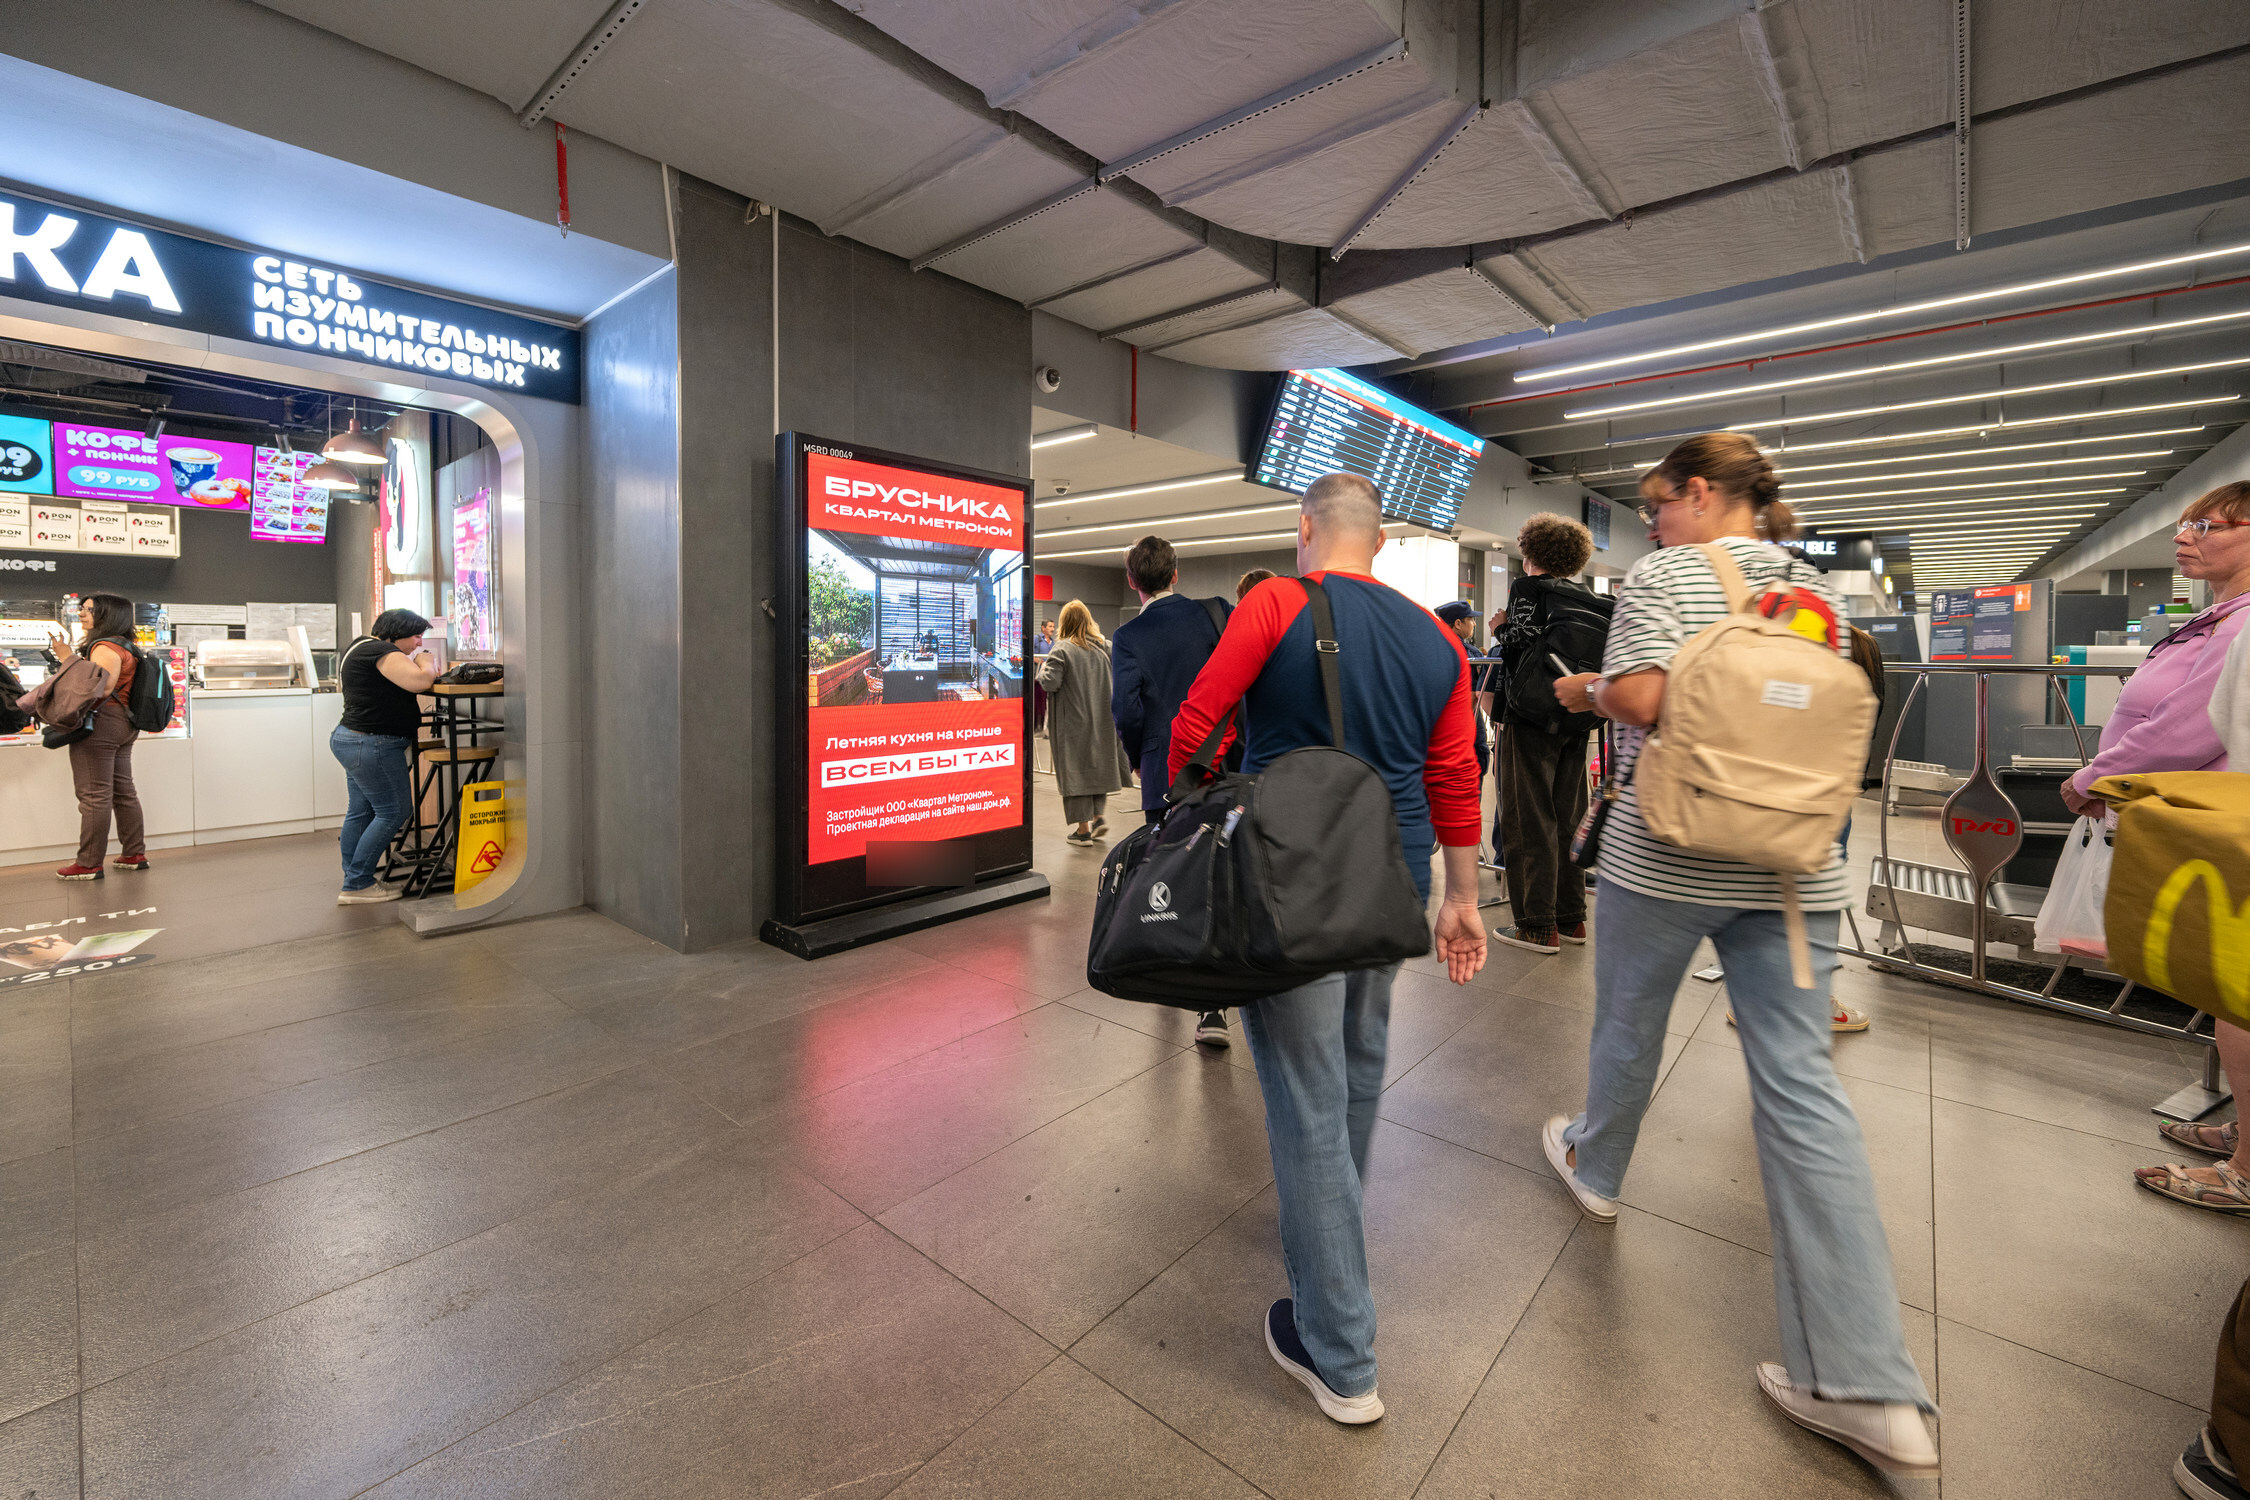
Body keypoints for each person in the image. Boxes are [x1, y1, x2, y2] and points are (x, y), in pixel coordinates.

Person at [1547, 432, 1939, 1475]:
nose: (1654, 522)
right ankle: (1869, 1387)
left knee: (1629, 1024)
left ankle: (1598, 1165)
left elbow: (1638, 697)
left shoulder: (1668, 576)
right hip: (1795, 866)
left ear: (1704, 494)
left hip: (1667, 853)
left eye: (1659, 503)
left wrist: (1585, 692)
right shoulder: (1815, 590)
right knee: (1803, 1092)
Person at [1168, 471, 1487, 1425]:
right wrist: (1463, 899)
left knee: (1304, 1093)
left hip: (1291, 875)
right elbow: (1454, 771)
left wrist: (1184, 816)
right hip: (1396, 873)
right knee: (1351, 1074)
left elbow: (1197, 722)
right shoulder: (1438, 637)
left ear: (1305, 531)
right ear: (1379, 543)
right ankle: (1329, 1241)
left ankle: (1338, 1349)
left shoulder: (1276, 601)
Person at [2060, 483, 2250, 1212]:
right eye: (2184, 522)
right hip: (2211, 820)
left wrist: (2096, 777)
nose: (2185, 536)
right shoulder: (2220, 618)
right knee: (2230, 990)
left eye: (2207, 524)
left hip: (2227, 821)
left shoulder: (2240, 626)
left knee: (2242, 996)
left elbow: (2191, 726)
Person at [1112, 535, 1235, 1048]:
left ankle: (1167, 967)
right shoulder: (1216, 615)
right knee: (1220, 872)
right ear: (1176, 574)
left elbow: (1127, 711)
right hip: (1222, 762)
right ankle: (1213, 1007)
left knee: (1166, 869)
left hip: (1165, 771)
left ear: (1132, 581)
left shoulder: (1129, 636)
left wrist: (1141, 759)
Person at [1489, 515, 1605, 954]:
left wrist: (1500, 626)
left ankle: (1535, 926)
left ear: (1529, 552)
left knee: (1526, 819)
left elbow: (1518, 639)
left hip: (1528, 716)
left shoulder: (1529, 588)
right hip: (1578, 715)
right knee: (1568, 817)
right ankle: (1571, 919)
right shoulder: (1591, 598)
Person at [331, 608, 439, 903]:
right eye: (416, 636)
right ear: (396, 632)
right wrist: (426, 662)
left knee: (362, 812)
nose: (418, 643)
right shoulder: (382, 650)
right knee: (394, 811)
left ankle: (355, 879)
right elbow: (420, 682)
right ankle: (357, 884)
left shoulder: (361, 645)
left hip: (354, 740)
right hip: (373, 744)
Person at [46, 593, 148, 880]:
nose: (81, 613)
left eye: (89, 609)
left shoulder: (104, 646)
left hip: (102, 724)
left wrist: (66, 657)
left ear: (106, 615)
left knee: (94, 796)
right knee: (123, 791)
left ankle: (89, 863)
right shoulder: (128, 645)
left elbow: (100, 688)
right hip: (124, 723)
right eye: (82, 608)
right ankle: (133, 853)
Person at [1037, 600, 1128, 847]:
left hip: (1073, 723)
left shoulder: (1061, 650)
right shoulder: (1104, 648)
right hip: (1103, 720)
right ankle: (1098, 817)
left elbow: (1050, 683)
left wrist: (1042, 668)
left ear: (1064, 623)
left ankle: (1083, 830)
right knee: (1096, 768)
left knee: (1075, 773)